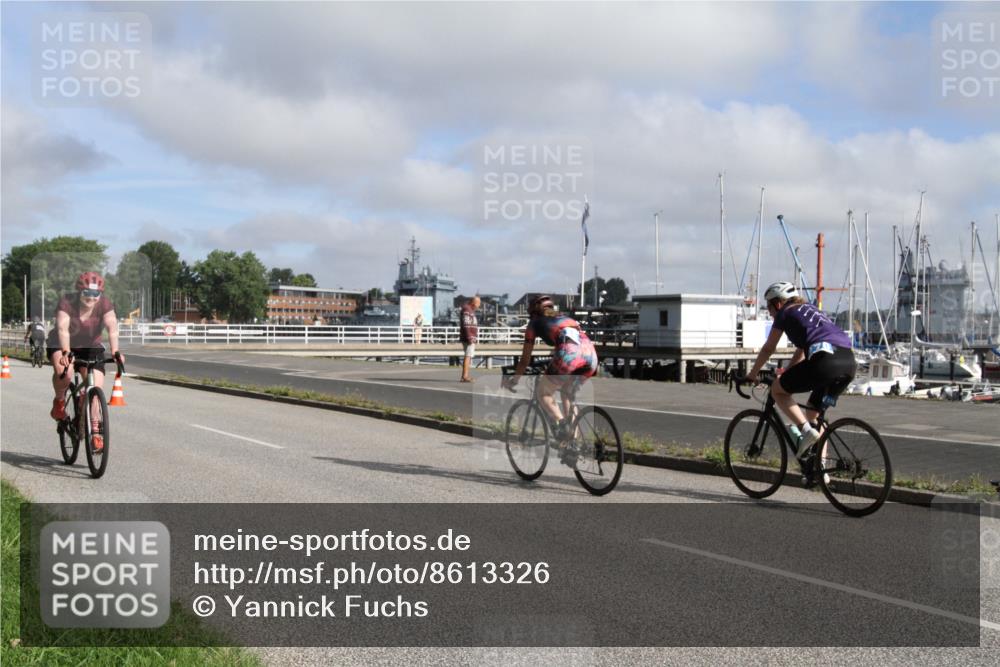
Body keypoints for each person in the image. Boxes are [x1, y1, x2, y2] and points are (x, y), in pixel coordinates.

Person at [746, 281, 855, 462]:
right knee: (814, 413)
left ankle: (805, 431)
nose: (770, 313)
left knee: (777, 390)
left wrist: (752, 374)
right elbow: (802, 351)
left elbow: (768, 348)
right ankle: (820, 468)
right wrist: (787, 372)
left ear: (778, 303)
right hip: (848, 363)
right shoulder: (810, 310)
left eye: (769, 307)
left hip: (826, 362)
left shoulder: (785, 313)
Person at [503, 295, 599, 460]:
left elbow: (525, 359)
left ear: (533, 313)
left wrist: (515, 379)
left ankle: (563, 427)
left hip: (569, 355)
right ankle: (572, 443)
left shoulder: (534, 324)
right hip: (591, 356)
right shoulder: (567, 319)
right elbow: (569, 342)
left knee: (543, 393)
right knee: (567, 393)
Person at [47, 272, 125, 453]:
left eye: (95, 294)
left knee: (95, 389)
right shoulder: (67, 302)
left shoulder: (105, 305)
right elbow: (62, 328)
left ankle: (96, 434)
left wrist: (115, 351)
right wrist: (66, 352)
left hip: (90, 345)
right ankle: (59, 403)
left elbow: (112, 327)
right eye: (86, 293)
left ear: (100, 294)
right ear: (79, 291)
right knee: (65, 372)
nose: (91, 298)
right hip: (61, 342)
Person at [459, 296, 480, 382]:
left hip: (470, 337)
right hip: (469, 337)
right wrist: (469, 337)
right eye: (478, 304)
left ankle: (465, 375)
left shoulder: (469, 310)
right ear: (473, 303)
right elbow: (466, 324)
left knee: (469, 355)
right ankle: (465, 376)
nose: (479, 306)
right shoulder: (467, 310)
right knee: (468, 356)